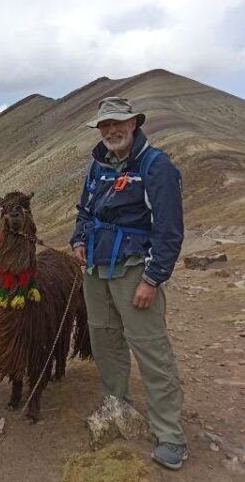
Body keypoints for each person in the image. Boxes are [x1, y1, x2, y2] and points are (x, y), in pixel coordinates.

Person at [70, 97, 187, 470]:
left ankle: (170, 434)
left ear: (134, 123)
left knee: (151, 349)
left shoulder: (157, 166)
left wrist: (152, 279)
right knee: (105, 342)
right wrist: (77, 240)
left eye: (117, 123)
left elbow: (169, 231)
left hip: (135, 270)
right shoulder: (97, 165)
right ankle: (116, 405)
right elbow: (85, 211)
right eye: (104, 125)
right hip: (96, 271)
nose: (110, 131)